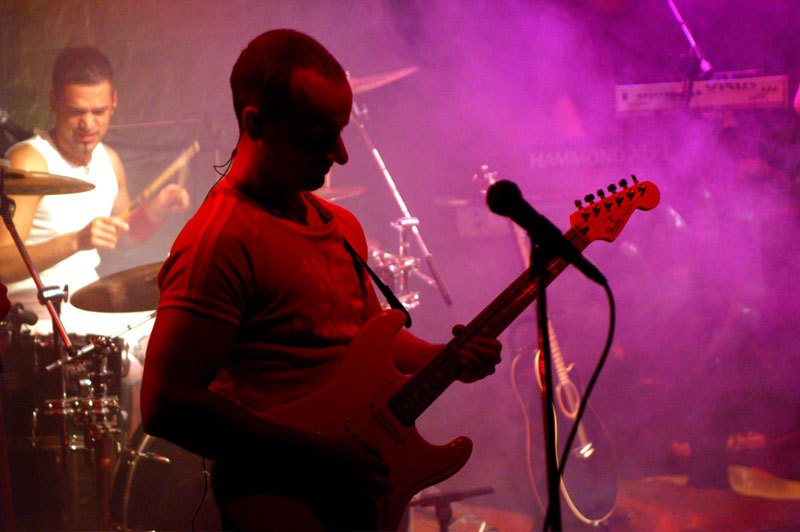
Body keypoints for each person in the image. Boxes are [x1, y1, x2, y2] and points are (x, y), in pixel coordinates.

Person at [140, 29, 502, 531]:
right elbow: (165, 404)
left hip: (359, 491)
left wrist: (447, 358)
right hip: (284, 503)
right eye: (316, 135)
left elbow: (370, 340)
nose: (341, 153)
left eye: (341, 130)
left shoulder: (341, 225)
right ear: (255, 122)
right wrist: (316, 455)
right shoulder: (221, 241)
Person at [0, 46, 189, 444]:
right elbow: (0, 262)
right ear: (54, 102)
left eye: (99, 111)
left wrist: (155, 212)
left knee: (179, 339)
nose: (88, 123)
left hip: (89, 304)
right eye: (76, 111)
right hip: (41, 317)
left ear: (114, 102)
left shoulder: (109, 160)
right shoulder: (30, 162)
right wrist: (75, 240)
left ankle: (148, 468)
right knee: (140, 369)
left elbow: (124, 234)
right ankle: (126, 467)